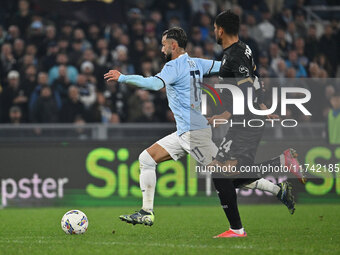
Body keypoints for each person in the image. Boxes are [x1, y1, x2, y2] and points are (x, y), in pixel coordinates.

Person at [104, 27, 300, 229]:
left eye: (163, 44)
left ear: (173, 45)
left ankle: (279, 171)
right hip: (185, 132)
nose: (161, 49)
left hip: (194, 134)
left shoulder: (173, 67)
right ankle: (146, 212)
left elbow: (153, 84)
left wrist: (123, 78)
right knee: (147, 158)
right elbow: (228, 66)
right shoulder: (197, 63)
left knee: (228, 175)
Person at [207, 10, 306, 238]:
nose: (214, 31)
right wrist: (261, 105)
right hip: (247, 119)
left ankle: (237, 229)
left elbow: (244, 89)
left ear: (221, 30)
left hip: (245, 123)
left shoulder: (234, 56)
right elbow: (256, 78)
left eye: (214, 28)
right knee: (230, 175)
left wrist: (228, 114)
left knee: (220, 173)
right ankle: (276, 185)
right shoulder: (243, 49)